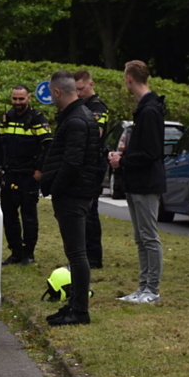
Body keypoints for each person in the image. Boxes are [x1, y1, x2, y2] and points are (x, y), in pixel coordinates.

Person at [39, 70, 100, 326]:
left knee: (76, 254)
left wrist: (54, 186)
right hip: (78, 192)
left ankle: (79, 310)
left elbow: (72, 162)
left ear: (56, 92)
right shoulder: (80, 116)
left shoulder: (75, 120)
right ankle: (74, 305)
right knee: (75, 252)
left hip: (73, 194)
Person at [108, 60, 166, 304]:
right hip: (137, 181)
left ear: (129, 78)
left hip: (145, 182)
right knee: (141, 237)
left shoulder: (150, 111)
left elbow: (152, 152)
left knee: (148, 237)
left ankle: (151, 290)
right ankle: (143, 287)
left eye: (125, 78)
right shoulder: (146, 108)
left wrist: (123, 161)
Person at [0, 85, 52, 266]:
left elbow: (48, 145)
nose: (17, 103)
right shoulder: (7, 118)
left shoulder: (37, 119)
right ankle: (15, 252)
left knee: (28, 215)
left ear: (28, 98)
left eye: (21, 99)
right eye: (14, 99)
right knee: (9, 215)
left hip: (28, 175)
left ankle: (29, 253)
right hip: (10, 174)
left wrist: (40, 170)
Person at [74, 69, 109, 269]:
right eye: (75, 89)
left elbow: (96, 133)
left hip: (94, 163)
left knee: (90, 210)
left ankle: (94, 256)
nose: (78, 93)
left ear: (91, 84)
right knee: (83, 210)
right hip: (86, 163)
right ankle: (85, 254)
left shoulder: (97, 106)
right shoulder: (81, 105)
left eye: (81, 88)